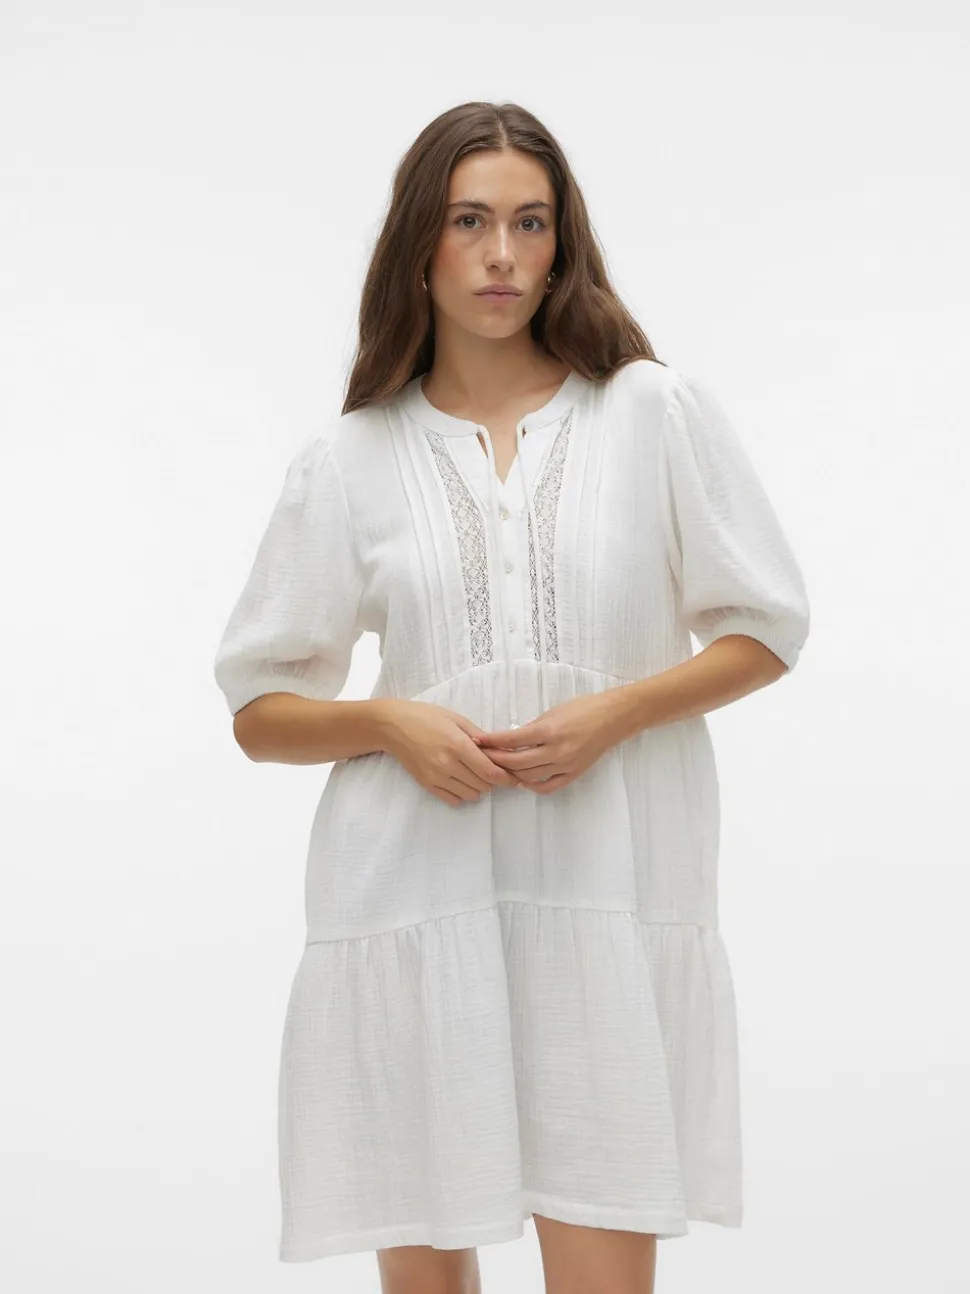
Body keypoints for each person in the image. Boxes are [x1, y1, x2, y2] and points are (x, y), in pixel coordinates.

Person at [213, 100, 810, 1294]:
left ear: (560, 243)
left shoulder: (650, 411)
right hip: (413, 908)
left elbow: (766, 626)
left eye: (530, 223)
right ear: (418, 245)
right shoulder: (351, 459)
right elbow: (258, 707)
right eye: (469, 221)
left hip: (606, 904)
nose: (501, 255)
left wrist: (614, 714)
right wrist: (386, 721)